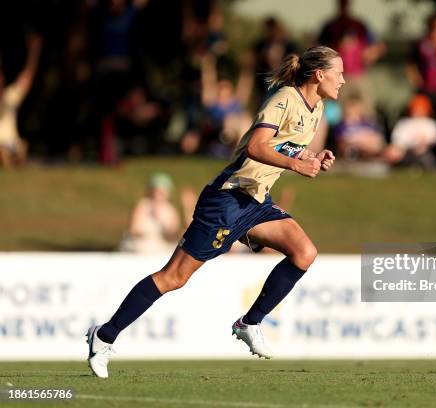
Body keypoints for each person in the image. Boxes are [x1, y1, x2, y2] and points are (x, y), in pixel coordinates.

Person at [86, 46, 344, 378]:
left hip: (256, 201)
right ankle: (104, 336)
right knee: (173, 277)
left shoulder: (317, 107)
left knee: (304, 252)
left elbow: (282, 144)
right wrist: (295, 163)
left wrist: (311, 156)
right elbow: (255, 146)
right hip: (228, 200)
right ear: (319, 74)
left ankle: (249, 323)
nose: (344, 79)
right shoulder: (284, 99)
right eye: (338, 72)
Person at [0, 33, 43, 168]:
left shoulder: (10, 96)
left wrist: (34, 52)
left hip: (11, 145)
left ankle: (12, 158)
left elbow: (27, 76)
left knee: (17, 148)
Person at [119, 172, 182, 254]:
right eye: (157, 191)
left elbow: (173, 233)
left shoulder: (170, 210)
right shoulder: (142, 205)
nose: (159, 195)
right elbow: (133, 230)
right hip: (141, 245)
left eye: (162, 192)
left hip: (161, 246)